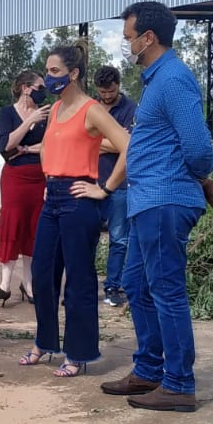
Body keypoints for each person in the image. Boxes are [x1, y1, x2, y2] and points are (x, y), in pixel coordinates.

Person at [103, 1, 213, 412]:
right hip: (148, 200)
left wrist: (199, 179)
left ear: (148, 37)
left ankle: (179, 382)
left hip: (165, 199)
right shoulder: (157, 81)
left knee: (166, 291)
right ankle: (149, 369)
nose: (125, 44)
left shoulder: (173, 80)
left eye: (129, 37)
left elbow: (200, 149)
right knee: (135, 284)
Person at [17, 45, 129, 378]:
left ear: (74, 73)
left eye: (54, 72)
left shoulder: (91, 109)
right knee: (42, 272)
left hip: (80, 198)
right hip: (52, 198)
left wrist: (104, 187)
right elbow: (49, 147)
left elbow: (128, 146)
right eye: (47, 71)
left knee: (78, 280)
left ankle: (78, 353)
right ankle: (45, 342)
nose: (48, 78)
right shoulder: (56, 110)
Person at [0, 70, 47, 306]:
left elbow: (48, 146)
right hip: (15, 177)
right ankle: (4, 283)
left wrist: (25, 149)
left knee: (34, 228)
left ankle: (29, 283)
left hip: (40, 176)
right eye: (39, 86)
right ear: (26, 88)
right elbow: (6, 144)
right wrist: (28, 123)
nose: (42, 91)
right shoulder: (7, 113)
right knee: (12, 223)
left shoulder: (47, 114)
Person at [93, 65, 137, 306]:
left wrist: (98, 141)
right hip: (90, 181)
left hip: (120, 185)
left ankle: (112, 286)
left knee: (119, 239)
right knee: (87, 236)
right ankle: (85, 286)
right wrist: (115, 141)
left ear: (118, 86)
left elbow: (129, 145)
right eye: (102, 92)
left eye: (110, 91)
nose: (107, 96)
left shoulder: (131, 109)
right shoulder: (90, 106)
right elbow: (82, 141)